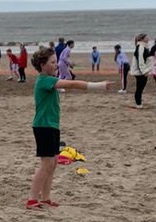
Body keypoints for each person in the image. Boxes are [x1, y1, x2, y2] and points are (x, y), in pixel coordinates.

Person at [27, 46, 108, 209]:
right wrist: (97, 85)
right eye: (53, 62)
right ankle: (32, 199)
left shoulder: (49, 80)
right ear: (42, 65)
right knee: (46, 164)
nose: (56, 65)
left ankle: (46, 198)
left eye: (57, 61)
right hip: (43, 127)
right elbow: (72, 84)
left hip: (52, 127)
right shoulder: (45, 80)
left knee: (54, 162)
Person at [131, 33, 152, 108]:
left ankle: (139, 102)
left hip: (142, 71)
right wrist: (144, 71)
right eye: (146, 37)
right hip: (140, 72)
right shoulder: (140, 47)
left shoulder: (144, 46)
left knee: (141, 87)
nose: (148, 38)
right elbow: (140, 60)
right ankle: (138, 104)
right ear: (142, 39)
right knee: (139, 88)